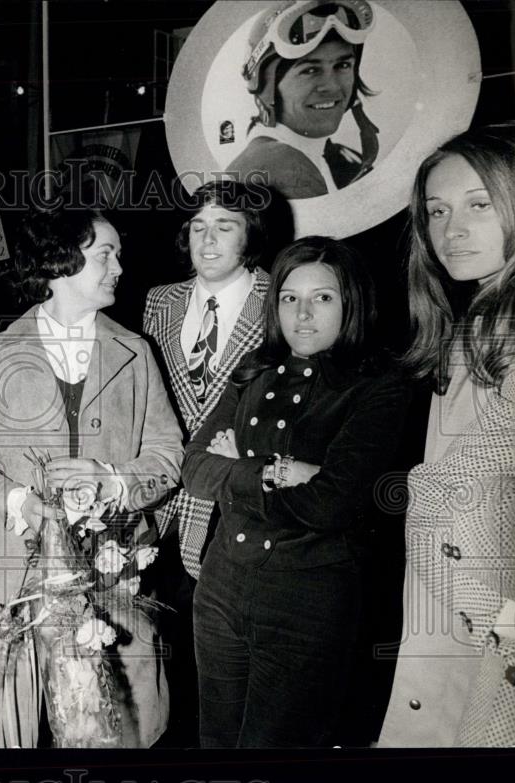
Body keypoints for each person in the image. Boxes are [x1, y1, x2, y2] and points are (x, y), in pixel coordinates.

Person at [0, 206, 183, 748]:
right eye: (106, 254)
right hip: (15, 576)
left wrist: (115, 480)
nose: (119, 265)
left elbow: (169, 455)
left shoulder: (135, 353)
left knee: (120, 724)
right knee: (12, 725)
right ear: (61, 261)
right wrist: (17, 500)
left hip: (113, 575)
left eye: (117, 254)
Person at [182, 236, 411, 747]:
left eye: (322, 298)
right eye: (289, 297)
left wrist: (238, 463)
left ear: (351, 303)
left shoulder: (377, 387)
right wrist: (281, 470)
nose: (302, 314)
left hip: (306, 605)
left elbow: (331, 503)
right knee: (214, 745)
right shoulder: (253, 371)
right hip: (220, 591)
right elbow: (195, 470)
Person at [378, 128, 515, 747]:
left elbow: (446, 487)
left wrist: (490, 613)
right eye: (437, 211)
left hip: (492, 626)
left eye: (478, 204)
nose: (451, 229)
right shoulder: (481, 322)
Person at [142, 180, 273, 745]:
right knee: (158, 645)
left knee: (224, 660)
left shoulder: (281, 298)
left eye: (225, 227)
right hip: (163, 507)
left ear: (251, 237)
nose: (209, 240)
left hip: (235, 503)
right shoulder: (160, 301)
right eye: (198, 227)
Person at [228, 0, 379, 199]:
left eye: (342, 66)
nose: (332, 86)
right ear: (266, 84)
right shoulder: (286, 171)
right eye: (310, 70)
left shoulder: (334, 158)